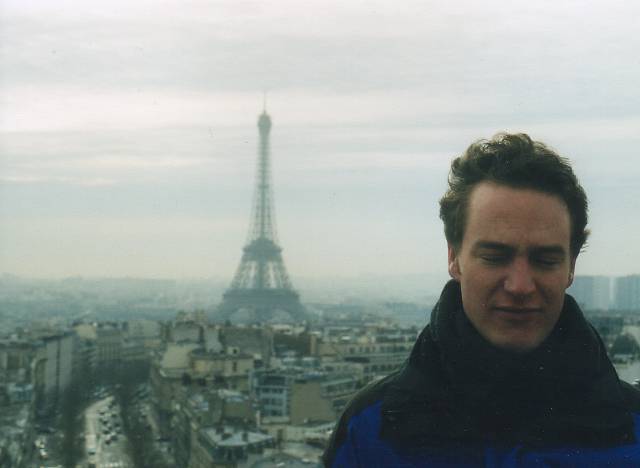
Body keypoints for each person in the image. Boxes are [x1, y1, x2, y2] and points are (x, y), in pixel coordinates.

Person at [323, 133, 640, 467]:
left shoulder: (375, 427)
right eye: (494, 257)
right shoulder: (368, 427)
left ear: (571, 267)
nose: (520, 286)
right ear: (454, 257)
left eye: (545, 260)